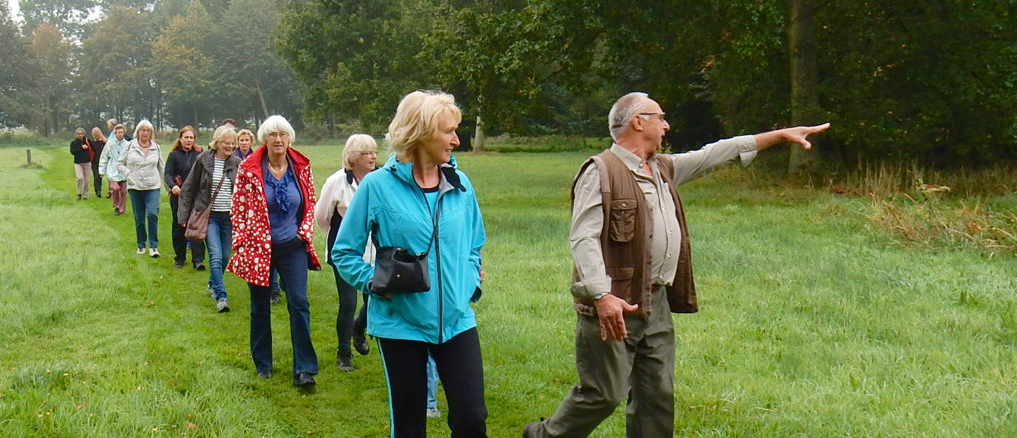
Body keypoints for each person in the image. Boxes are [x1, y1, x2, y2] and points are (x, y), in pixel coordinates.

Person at [520, 92, 830, 438]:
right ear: (638, 122)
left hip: (657, 302)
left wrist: (780, 134)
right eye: (660, 117)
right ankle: (542, 436)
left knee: (657, 396)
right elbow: (583, 238)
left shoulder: (663, 167)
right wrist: (601, 295)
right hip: (615, 303)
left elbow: (714, 154)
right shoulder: (601, 171)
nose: (666, 125)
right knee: (603, 394)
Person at [331, 90, 488, 437]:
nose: (456, 139)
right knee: (410, 426)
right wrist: (375, 283)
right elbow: (343, 252)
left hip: (458, 320)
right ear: (420, 132)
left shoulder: (461, 186)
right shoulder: (377, 187)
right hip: (401, 323)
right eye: (448, 131)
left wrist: (469, 281)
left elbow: (475, 242)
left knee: (471, 418)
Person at [228, 115, 321, 387]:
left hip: (292, 246)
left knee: (299, 303)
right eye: (272, 135)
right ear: (264, 139)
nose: (278, 140)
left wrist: (304, 232)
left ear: (289, 138)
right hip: (258, 248)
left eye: (282, 135)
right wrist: (242, 242)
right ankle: (263, 364)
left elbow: (311, 201)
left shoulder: (301, 166)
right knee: (259, 308)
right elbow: (239, 208)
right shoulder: (249, 168)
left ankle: (304, 369)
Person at [314, 134, 379, 372]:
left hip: (376, 252)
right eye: (367, 153)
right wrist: (338, 238)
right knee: (348, 301)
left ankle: (359, 327)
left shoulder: (381, 180)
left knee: (375, 299)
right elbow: (322, 216)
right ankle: (344, 354)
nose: (373, 157)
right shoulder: (336, 182)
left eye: (374, 152)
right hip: (345, 253)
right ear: (353, 157)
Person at [178, 125, 242, 313]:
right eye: (226, 143)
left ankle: (212, 283)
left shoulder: (237, 163)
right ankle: (221, 296)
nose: (230, 146)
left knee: (224, 256)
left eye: (233, 143)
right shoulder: (203, 160)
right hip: (209, 216)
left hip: (229, 217)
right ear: (217, 142)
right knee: (214, 255)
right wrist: (183, 216)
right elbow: (188, 188)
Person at [117, 120, 165, 257]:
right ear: (138, 132)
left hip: (152, 186)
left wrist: (169, 188)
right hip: (135, 186)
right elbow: (120, 164)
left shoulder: (156, 147)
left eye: (148, 130)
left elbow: (162, 167)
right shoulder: (129, 146)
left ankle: (154, 246)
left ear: (151, 133)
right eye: (143, 130)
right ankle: (141, 244)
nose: (145, 133)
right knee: (139, 218)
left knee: (152, 214)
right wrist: (128, 173)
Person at [165, 126, 206, 269]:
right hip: (179, 196)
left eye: (191, 138)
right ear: (180, 139)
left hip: (196, 196)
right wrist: (172, 186)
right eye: (186, 137)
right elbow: (167, 174)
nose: (189, 140)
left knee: (196, 225)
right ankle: (180, 258)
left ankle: (198, 260)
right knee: (179, 226)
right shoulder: (174, 155)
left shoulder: (200, 155)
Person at [100, 124, 130, 215]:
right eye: (118, 132)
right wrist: (101, 171)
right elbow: (104, 157)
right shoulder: (110, 143)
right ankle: (116, 206)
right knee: (115, 188)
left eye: (122, 132)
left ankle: (121, 209)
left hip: (124, 170)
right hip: (112, 169)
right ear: (115, 133)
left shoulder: (127, 144)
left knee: (123, 191)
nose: (120, 134)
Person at [69, 128, 94, 200]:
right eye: (78, 134)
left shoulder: (88, 141)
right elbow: (73, 152)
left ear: (84, 134)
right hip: (78, 163)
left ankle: (85, 195)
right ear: (76, 134)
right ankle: (79, 193)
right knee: (80, 178)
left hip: (87, 162)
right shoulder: (73, 143)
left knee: (87, 180)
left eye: (81, 134)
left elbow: (93, 149)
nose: (80, 135)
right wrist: (81, 148)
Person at [89, 127, 107, 198]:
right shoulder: (91, 142)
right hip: (94, 162)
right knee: (96, 176)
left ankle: (102, 190)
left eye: (97, 133)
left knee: (100, 176)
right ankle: (98, 191)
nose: (96, 135)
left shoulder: (104, 142)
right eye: (94, 133)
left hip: (102, 161)